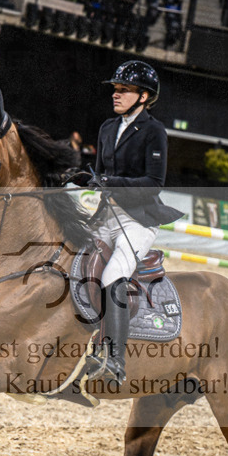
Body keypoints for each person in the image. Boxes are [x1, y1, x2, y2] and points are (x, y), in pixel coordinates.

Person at [69, 60, 182, 385]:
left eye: (124, 90)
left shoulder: (153, 131)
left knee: (113, 273)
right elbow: (101, 172)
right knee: (70, 261)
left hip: (138, 221)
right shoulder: (107, 128)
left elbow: (153, 183)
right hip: (106, 216)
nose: (116, 95)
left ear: (144, 96)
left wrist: (111, 182)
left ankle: (114, 359)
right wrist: (84, 177)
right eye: (115, 89)